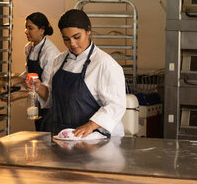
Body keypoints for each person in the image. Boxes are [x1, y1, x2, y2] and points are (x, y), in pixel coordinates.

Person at [28, 9, 126, 138]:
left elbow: (116, 106)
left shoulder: (104, 64)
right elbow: (54, 99)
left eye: (77, 37)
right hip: (65, 136)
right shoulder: (59, 60)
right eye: (66, 39)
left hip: (95, 138)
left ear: (88, 31)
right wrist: (39, 87)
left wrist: (90, 125)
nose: (72, 44)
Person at [23, 12, 60, 131]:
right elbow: (29, 74)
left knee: (47, 138)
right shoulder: (29, 47)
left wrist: (18, 95)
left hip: (49, 106)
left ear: (42, 30)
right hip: (37, 104)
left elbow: (45, 88)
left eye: (30, 28)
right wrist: (12, 81)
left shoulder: (50, 52)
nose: (26, 31)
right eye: (26, 27)